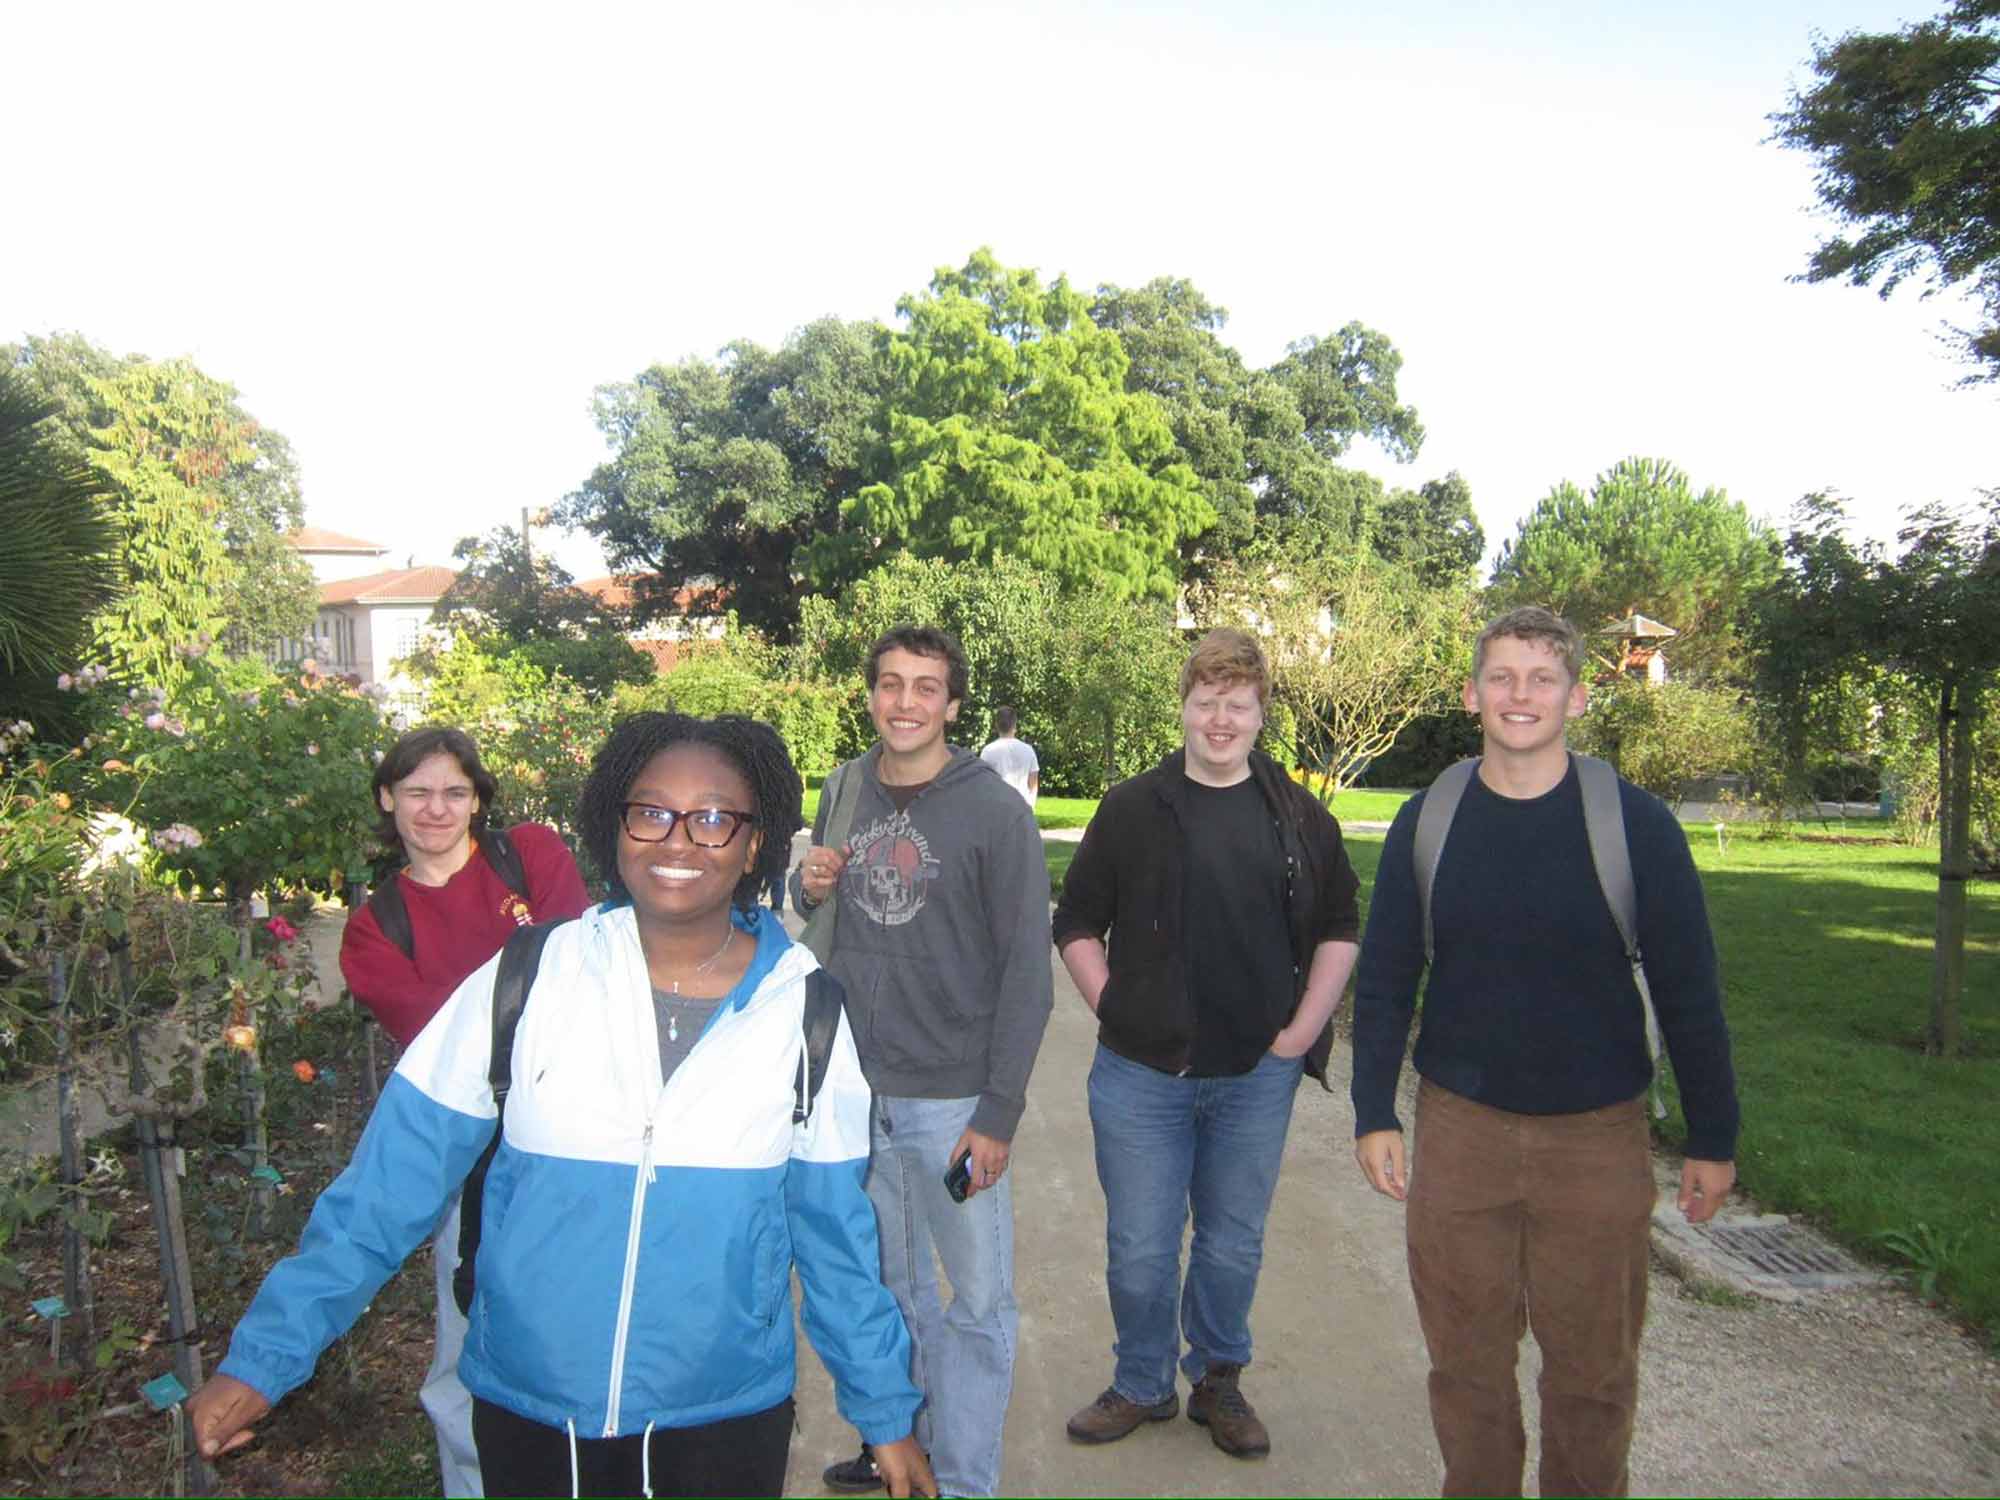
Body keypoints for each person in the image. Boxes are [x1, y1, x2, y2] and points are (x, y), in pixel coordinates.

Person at [188, 713, 937, 1500]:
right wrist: (265, 1358)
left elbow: (836, 1244)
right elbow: (384, 1190)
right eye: (650, 812)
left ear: (755, 845)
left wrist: (884, 1413)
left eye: (714, 818)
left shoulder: (806, 1014)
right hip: (531, 1413)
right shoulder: (525, 980)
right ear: (616, 825)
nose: (677, 840)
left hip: (720, 1420)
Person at [1350, 607, 1739, 1498]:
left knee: (1593, 1376)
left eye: (1541, 678)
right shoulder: (1430, 818)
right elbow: (1385, 976)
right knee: (1466, 1366)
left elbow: (1689, 993)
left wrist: (1713, 1138)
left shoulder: (1635, 825)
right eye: (1501, 677)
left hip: (1596, 1141)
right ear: (1470, 692)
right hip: (1461, 1132)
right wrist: (1375, 1110)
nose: (1519, 696)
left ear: (1577, 694)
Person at [1051, 627, 1360, 1460]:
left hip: (1256, 1075)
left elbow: (1339, 926)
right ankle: (1143, 1383)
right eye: (1206, 702)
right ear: (1183, 708)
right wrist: (1111, 999)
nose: (1220, 720)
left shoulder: (1299, 816)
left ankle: (1218, 1379)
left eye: (1238, 705)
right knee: (1141, 1248)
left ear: (1262, 716)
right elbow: (1076, 919)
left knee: (1232, 1242)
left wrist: (1300, 1034)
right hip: (1140, 1076)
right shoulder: (1130, 809)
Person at [795, 626, 1053, 1500]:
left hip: (952, 1104)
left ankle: (967, 1481)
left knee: (976, 1306)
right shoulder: (842, 788)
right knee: (890, 1292)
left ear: (952, 703)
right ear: (869, 693)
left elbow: (1029, 973)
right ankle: (904, 1452)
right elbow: (814, 915)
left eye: (926, 687)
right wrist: (810, 886)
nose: (906, 702)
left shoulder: (995, 812)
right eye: (891, 684)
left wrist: (999, 1113)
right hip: (857, 1096)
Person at [338, 726, 590, 1498]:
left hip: (573, 1135)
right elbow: (443, 1046)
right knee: (465, 1333)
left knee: (582, 1321)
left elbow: (578, 971)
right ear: (389, 800)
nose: (436, 810)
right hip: (467, 1157)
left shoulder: (533, 856)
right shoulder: (375, 929)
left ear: (478, 799)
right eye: (416, 793)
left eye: (453, 792)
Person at [978, 706, 1040, 808]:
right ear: (1014, 725)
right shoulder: (1028, 750)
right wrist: (1031, 807)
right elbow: (1033, 785)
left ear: (996, 725)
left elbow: (984, 784)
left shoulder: (988, 751)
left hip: (997, 807)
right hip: (1022, 807)